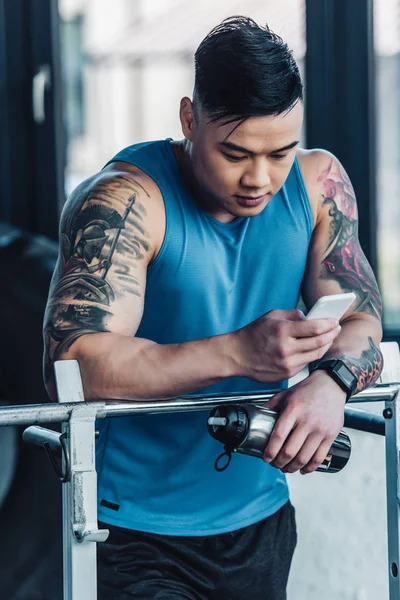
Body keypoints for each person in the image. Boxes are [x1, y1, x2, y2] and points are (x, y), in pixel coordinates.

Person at [43, 16, 383, 600]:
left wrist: (333, 382)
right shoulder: (124, 200)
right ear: (188, 118)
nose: (260, 178)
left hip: (260, 517)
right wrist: (236, 352)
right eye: (234, 153)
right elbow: (73, 366)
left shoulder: (319, 182)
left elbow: (362, 318)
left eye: (280, 152)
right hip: (131, 529)